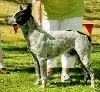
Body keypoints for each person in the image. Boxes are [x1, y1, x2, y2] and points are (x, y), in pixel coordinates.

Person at [32, 0, 84, 83]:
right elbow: (36, 1)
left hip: (73, 10)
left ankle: (66, 72)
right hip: (49, 13)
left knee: (69, 42)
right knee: (47, 43)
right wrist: (38, 22)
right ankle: (49, 71)